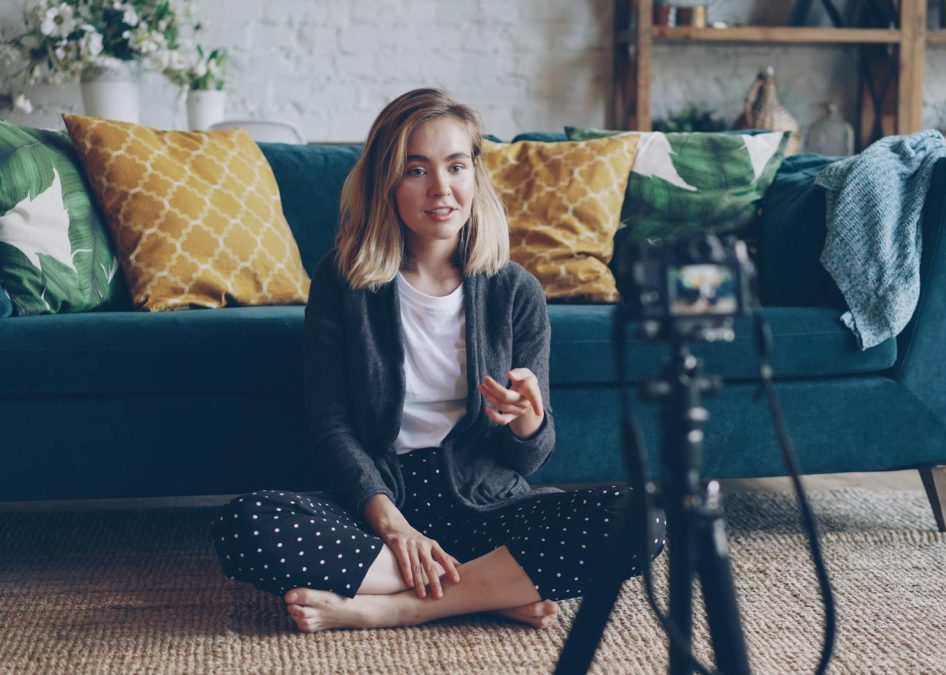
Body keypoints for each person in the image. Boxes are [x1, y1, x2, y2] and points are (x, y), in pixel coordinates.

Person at [211, 88, 666, 632]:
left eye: (456, 166)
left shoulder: (515, 292)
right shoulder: (344, 283)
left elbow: (529, 460)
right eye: (416, 170)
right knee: (248, 524)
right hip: (378, 508)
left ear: (476, 174)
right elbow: (330, 424)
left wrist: (527, 422)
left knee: (641, 516)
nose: (441, 188)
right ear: (387, 182)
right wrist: (394, 527)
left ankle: (388, 608)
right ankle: (488, 590)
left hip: (487, 507)